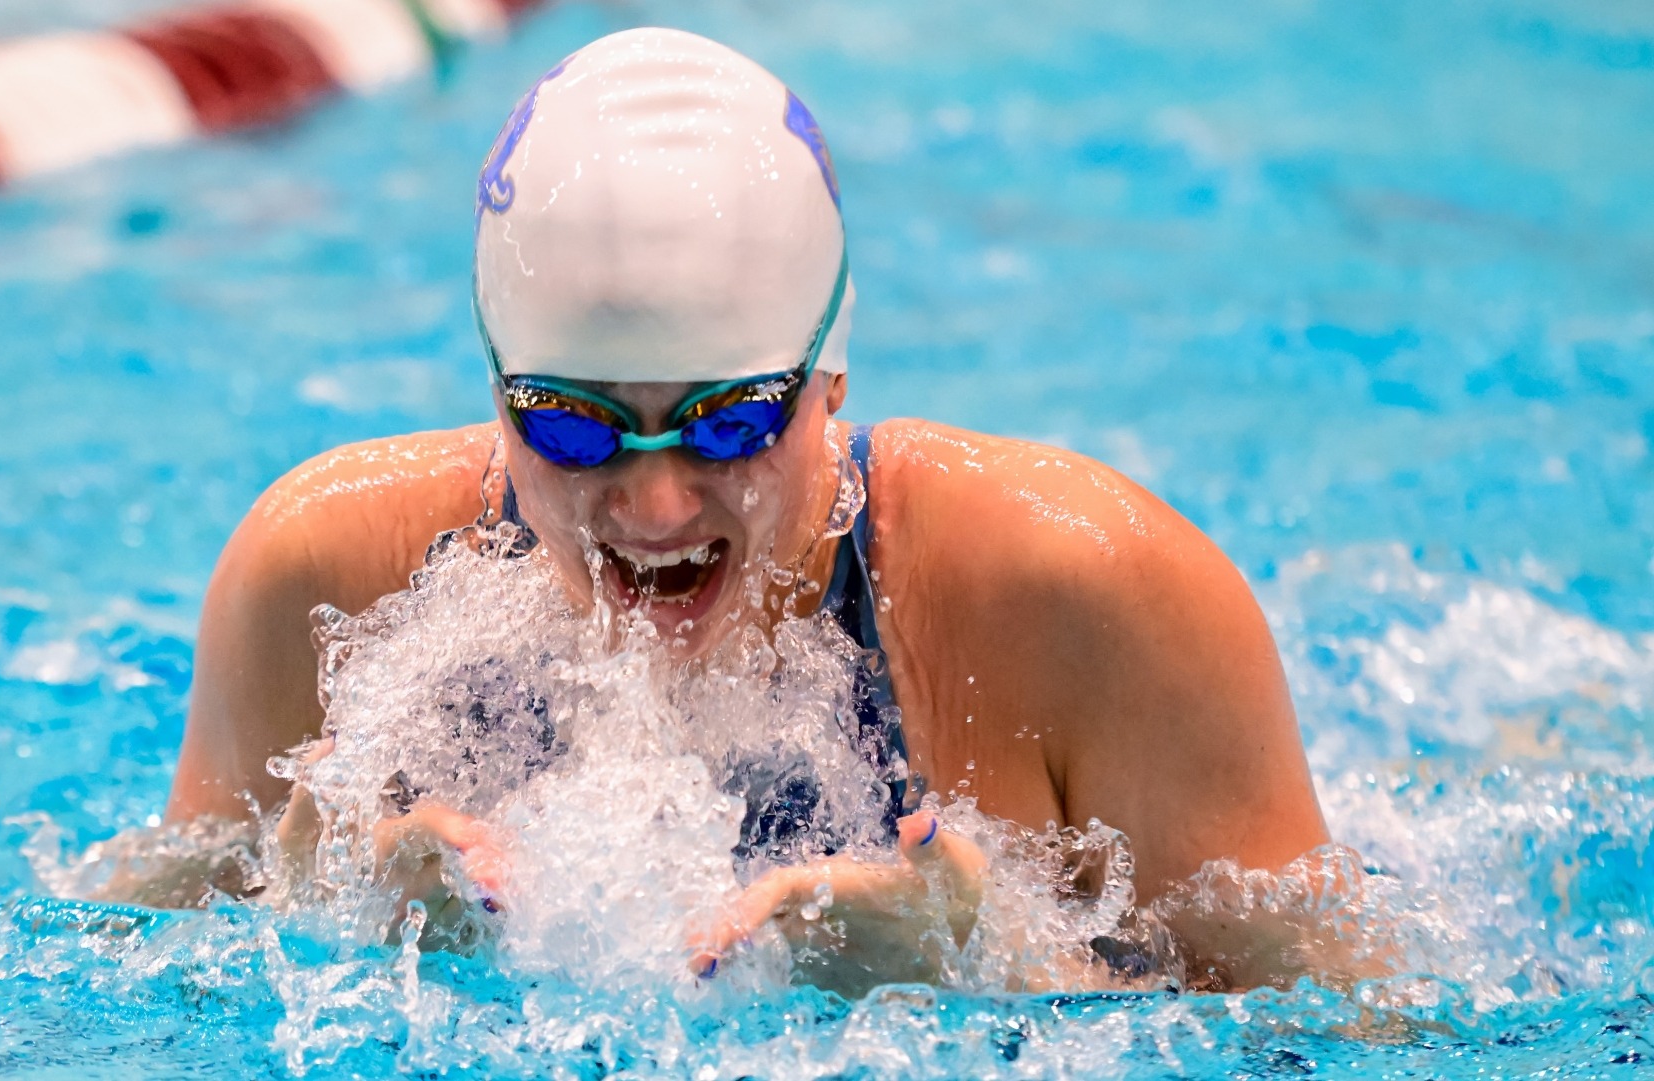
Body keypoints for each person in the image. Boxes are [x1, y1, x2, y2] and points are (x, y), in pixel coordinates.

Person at [152, 27, 1348, 994]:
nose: (656, 500)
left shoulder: (1089, 596)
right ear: (498, 393)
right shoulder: (321, 574)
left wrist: (998, 984)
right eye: (574, 422)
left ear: (833, 377)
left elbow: (1380, 1035)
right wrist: (314, 930)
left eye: (731, 421)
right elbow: (105, 981)